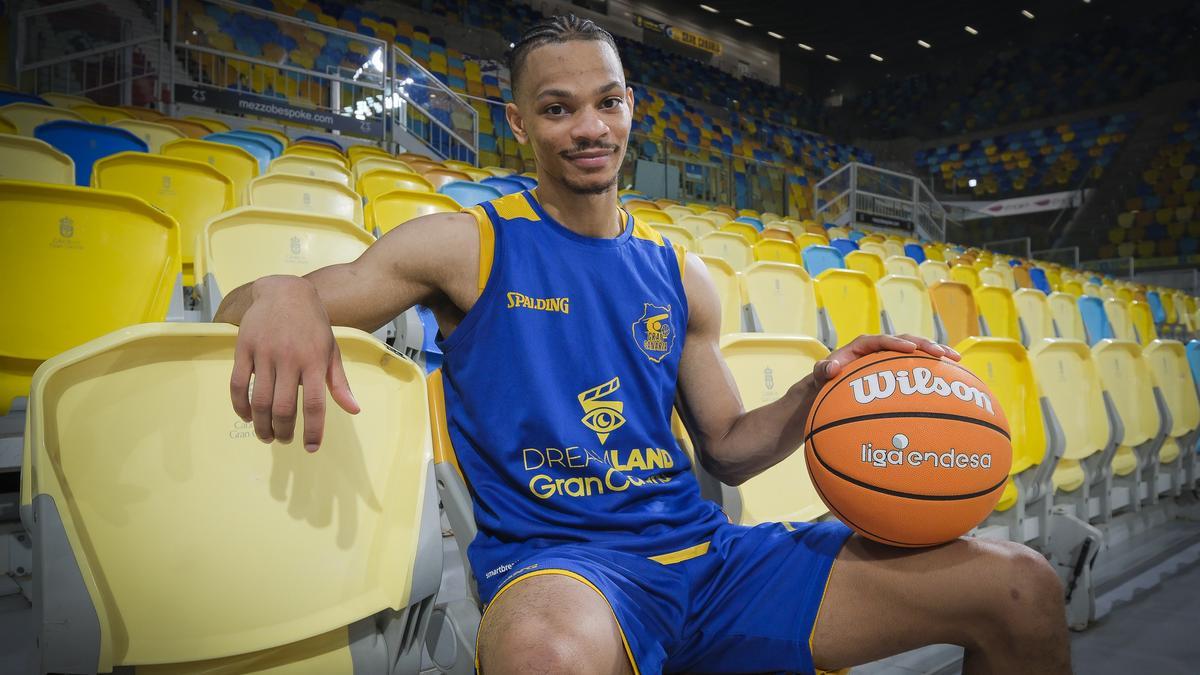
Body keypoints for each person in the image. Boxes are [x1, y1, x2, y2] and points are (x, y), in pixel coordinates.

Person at [215, 14, 1071, 674]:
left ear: (632, 106)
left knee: (1019, 584)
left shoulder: (679, 273)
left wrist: (820, 386)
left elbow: (730, 450)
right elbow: (247, 308)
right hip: (566, 566)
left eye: (607, 102)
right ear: (519, 122)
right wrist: (286, 290)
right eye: (558, 108)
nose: (588, 127)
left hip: (713, 555)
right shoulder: (464, 245)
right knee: (543, 657)